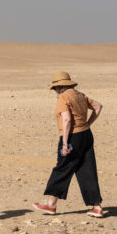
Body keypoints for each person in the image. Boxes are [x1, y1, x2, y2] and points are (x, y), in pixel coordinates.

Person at [33, 71, 105, 218]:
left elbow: (66, 120)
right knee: (87, 169)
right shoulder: (80, 95)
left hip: (73, 137)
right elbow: (98, 106)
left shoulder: (63, 97)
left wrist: (65, 143)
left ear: (58, 87)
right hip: (86, 135)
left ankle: (51, 204)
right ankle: (96, 206)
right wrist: (87, 124)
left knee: (63, 167)